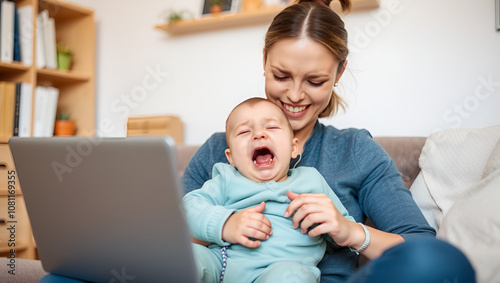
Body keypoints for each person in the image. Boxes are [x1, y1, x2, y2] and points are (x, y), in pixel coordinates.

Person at [182, 0, 476, 282]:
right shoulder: (218, 152)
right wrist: (224, 223)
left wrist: (349, 231)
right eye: (281, 75)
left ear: (339, 73)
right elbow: (166, 235)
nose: (295, 95)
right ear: (264, 61)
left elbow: (419, 245)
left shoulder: (354, 150)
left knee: (439, 263)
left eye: (314, 81)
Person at [184, 97, 355, 283]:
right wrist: (226, 224)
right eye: (244, 131)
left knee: (292, 276)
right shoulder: (226, 179)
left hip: (282, 269)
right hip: (220, 267)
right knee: (185, 255)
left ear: (293, 147)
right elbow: (187, 209)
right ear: (231, 157)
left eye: (271, 128)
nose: (258, 134)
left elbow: (344, 227)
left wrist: (336, 226)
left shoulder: (311, 181)